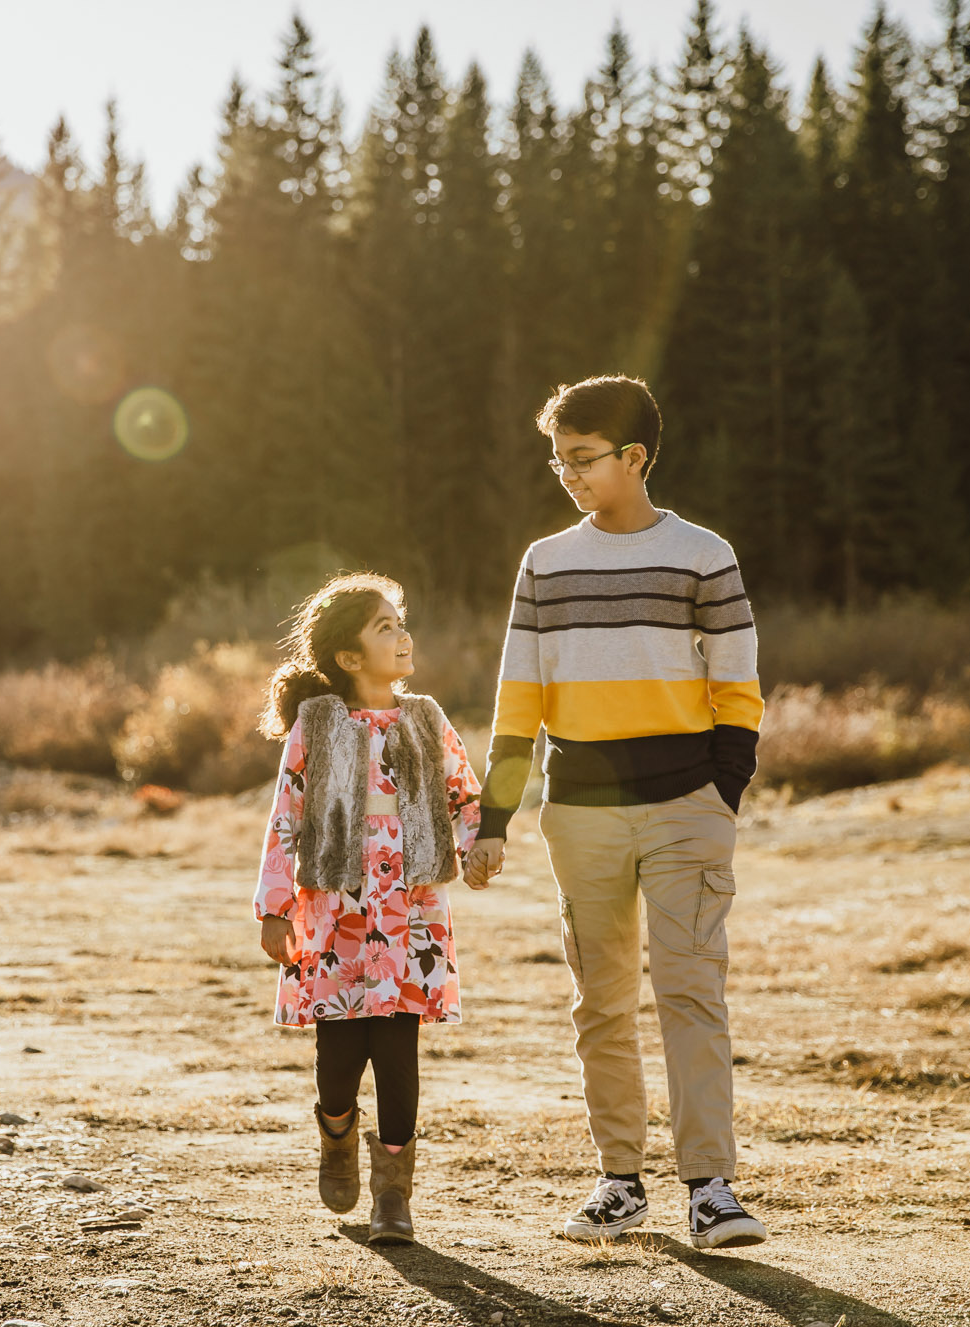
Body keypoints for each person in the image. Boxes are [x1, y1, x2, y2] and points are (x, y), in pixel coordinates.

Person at [464, 375, 767, 1249]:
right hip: (582, 813)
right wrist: (495, 817)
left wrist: (723, 791)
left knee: (690, 990)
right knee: (600, 999)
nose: (567, 473)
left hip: (686, 807)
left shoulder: (704, 554)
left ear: (634, 457)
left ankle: (711, 1189)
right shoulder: (544, 562)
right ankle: (619, 1181)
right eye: (558, 459)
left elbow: (738, 687)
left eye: (583, 458)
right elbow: (517, 700)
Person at [252, 572, 487, 1247]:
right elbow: (286, 817)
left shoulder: (426, 717)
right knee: (339, 1053)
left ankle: (393, 1195)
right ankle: (336, 1131)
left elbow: (464, 797)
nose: (403, 634)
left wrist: (477, 846)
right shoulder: (316, 724)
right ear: (350, 657)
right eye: (385, 626)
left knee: (398, 1047)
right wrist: (274, 908)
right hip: (334, 911)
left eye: (401, 621)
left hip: (410, 907)